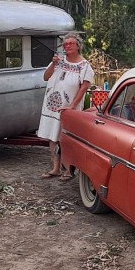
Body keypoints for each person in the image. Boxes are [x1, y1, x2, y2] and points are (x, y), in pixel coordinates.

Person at [37, 33, 94, 179]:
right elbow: (46, 77)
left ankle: (69, 169)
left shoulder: (84, 66)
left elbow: (84, 88)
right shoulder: (58, 61)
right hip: (52, 107)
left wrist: (72, 106)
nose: (66, 46)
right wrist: (54, 64)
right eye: (65, 44)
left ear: (78, 46)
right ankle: (55, 168)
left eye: (70, 43)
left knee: (67, 139)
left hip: (68, 108)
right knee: (52, 136)